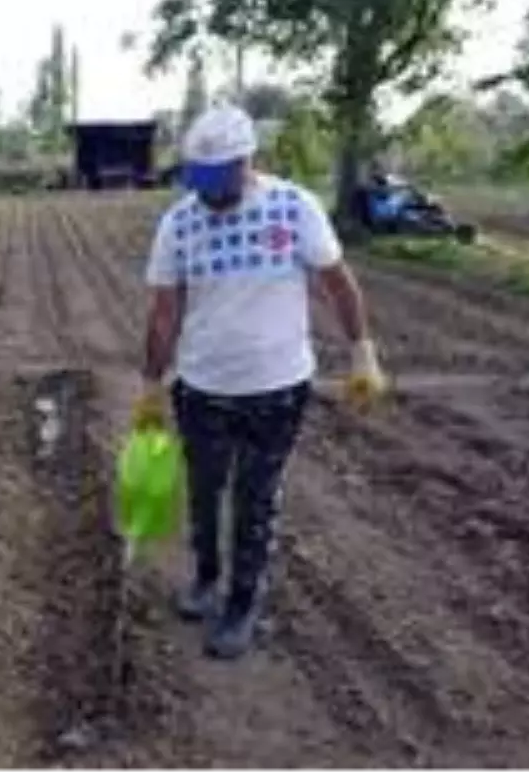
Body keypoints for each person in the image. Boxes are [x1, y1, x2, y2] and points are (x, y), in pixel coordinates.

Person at [134, 103, 387, 660]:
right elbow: (163, 312)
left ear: (247, 161)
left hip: (278, 388)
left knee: (255, 499)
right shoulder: (177, 223)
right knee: (204, 492)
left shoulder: (294, 207)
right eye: (198, 178)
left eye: (218, 178)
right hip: (200, 388)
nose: (207, 190)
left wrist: (362, 352)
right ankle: (205, 577)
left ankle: (242, 602)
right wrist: (152, 384)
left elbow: (338, 283)